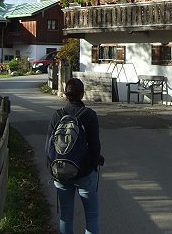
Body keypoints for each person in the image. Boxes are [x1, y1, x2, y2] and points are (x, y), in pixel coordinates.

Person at [46, 77, 103, 234]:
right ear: (82, 94)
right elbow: (95, 147)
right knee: (92, 216)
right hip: (84, 173)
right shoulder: (89, 115)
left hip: (61, 172)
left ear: (65, 94)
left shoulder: (57, 115)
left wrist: (53, 169)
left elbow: (48, 147)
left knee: (66, 216)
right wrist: (92, 166)